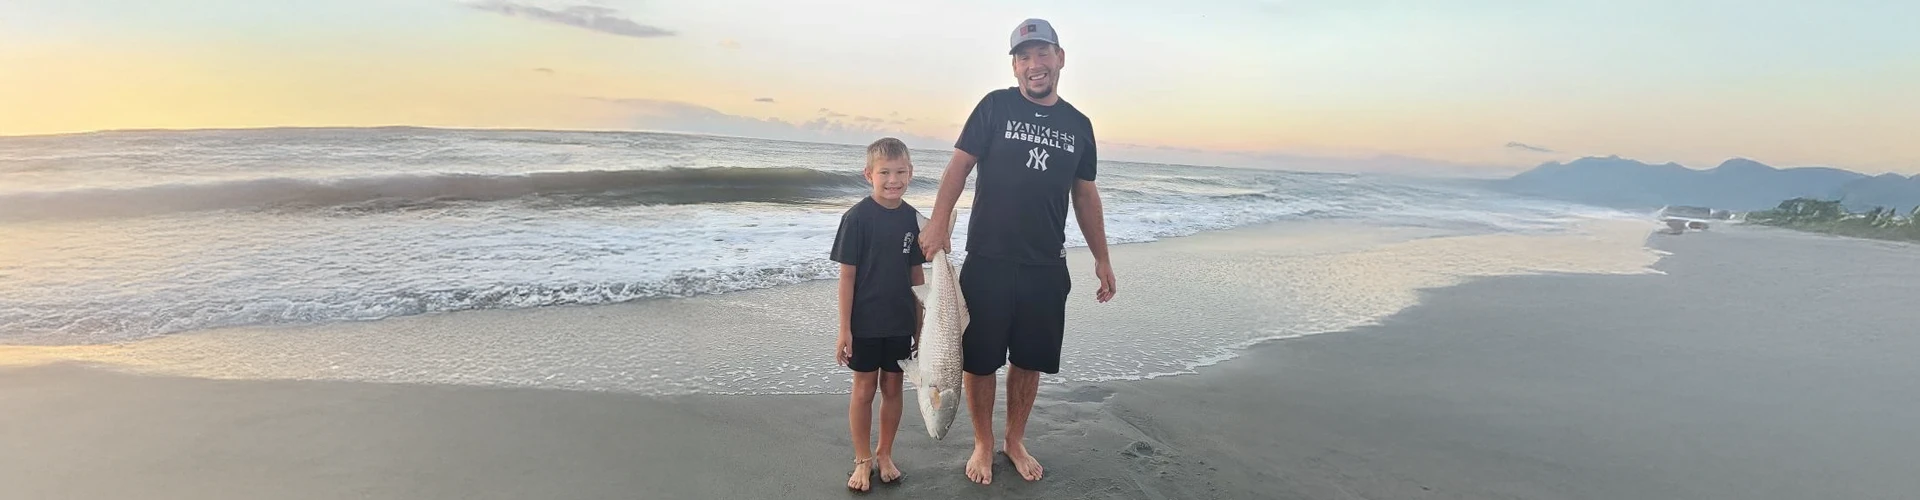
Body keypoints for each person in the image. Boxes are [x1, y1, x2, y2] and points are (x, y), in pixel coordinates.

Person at [918, 18, 1117, 486]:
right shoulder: (995, 107)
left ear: (1060, 58)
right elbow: (959, 167)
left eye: (1042, 54)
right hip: (988, 259)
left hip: (1046, 264)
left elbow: (1085, 195)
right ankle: (984, 443)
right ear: (1014, 66)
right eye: (1024, 57)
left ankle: (1015, 439)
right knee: (980, 359)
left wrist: (1102, 258)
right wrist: (939, 221)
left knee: (1030, 360)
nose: (1034, 65)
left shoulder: (1078, 125)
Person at [830, 137, 928, 492]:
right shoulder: (856, 218)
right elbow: (847, 277)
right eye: (884, 172)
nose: (893, 180)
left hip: (900, 320)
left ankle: (884, 452)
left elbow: (917, 277)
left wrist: (921, 328)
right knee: (863, 390)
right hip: (865, 322)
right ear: (868, 174)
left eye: (900, 172)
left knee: (893, 387)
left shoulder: (913, 219)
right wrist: (844, 330)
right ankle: (862, 458)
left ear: (911, 173)